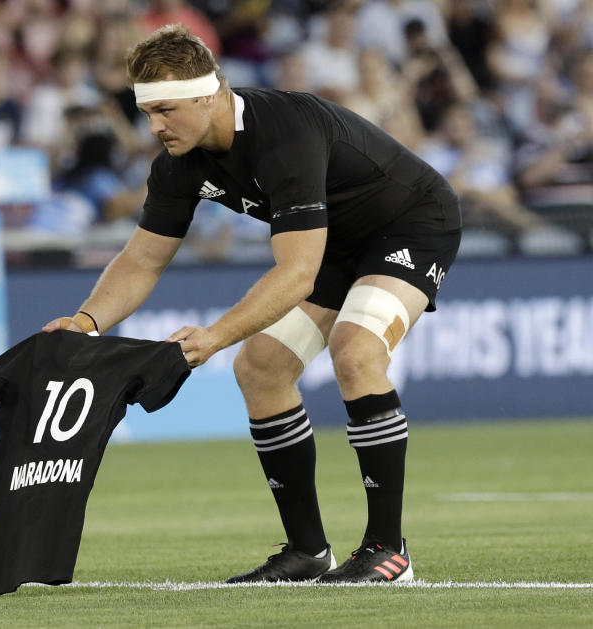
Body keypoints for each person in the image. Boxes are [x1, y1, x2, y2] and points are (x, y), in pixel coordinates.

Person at [42, 24, 463, 584]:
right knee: (260, 368)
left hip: (411, 222)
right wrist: (86, 322)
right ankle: (308, 551)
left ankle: (390, 550)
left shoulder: (284, 132)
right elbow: (142, 260)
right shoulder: (178, 161)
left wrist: (214, 335)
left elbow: (296, 271)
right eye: (147, 112)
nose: (155, 125)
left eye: (166, 109)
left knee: (356, 352)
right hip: (334, 240)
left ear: (209, 93)